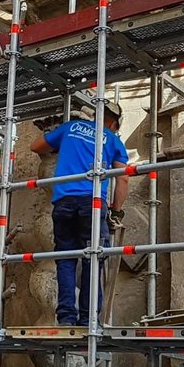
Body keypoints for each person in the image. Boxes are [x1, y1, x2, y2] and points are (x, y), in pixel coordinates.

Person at [30, 101, 129, 326]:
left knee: (65, 258)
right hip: (92, 203)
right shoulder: (113, 140)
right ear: (114, 124)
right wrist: (116, 211)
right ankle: (88, 319)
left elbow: (36, 147)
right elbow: (123, 178)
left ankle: (66, 318)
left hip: (63, 202)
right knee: (92, 259)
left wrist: (61, 144)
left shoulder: (69, 128)